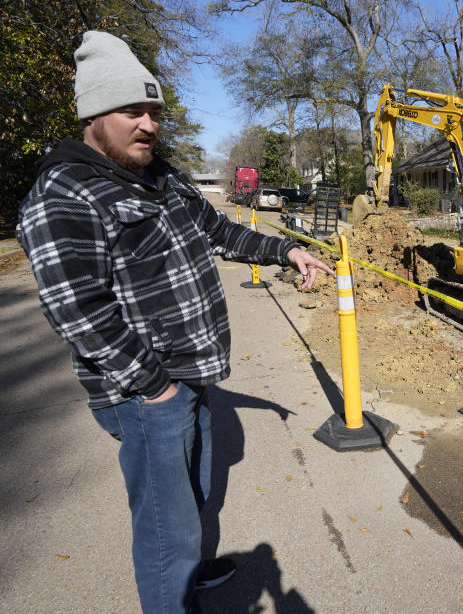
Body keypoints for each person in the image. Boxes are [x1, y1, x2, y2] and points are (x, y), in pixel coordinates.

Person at [18, 31, 334, 614]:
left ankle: (192, 571)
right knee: (166, 532)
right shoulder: (65, 193)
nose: (148, 124)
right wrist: (156, 388)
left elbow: (219, 231)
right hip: (144, 392)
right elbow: (77, 309)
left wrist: (283, 252)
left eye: (154, 111)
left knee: (194, 494)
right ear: (92, 114)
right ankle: (174, 590)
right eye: (132, 111)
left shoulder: (160, 176)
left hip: (189, 375)